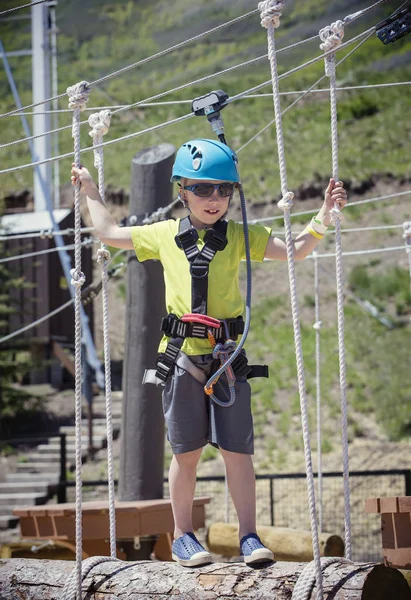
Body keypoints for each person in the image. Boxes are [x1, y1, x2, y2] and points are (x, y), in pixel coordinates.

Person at [71, 138, 347, 568]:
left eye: (224, 190)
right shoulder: (163, 234)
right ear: (182, 190)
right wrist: (90, 190)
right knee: (186, 452)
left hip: (226, 359)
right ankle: (182, 535)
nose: (214, 199)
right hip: (182, 358)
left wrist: (324, 218)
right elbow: (107, 233)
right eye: (203, 190)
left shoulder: (240, 237)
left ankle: (248, 536)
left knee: (238, 451)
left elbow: (293, 251)